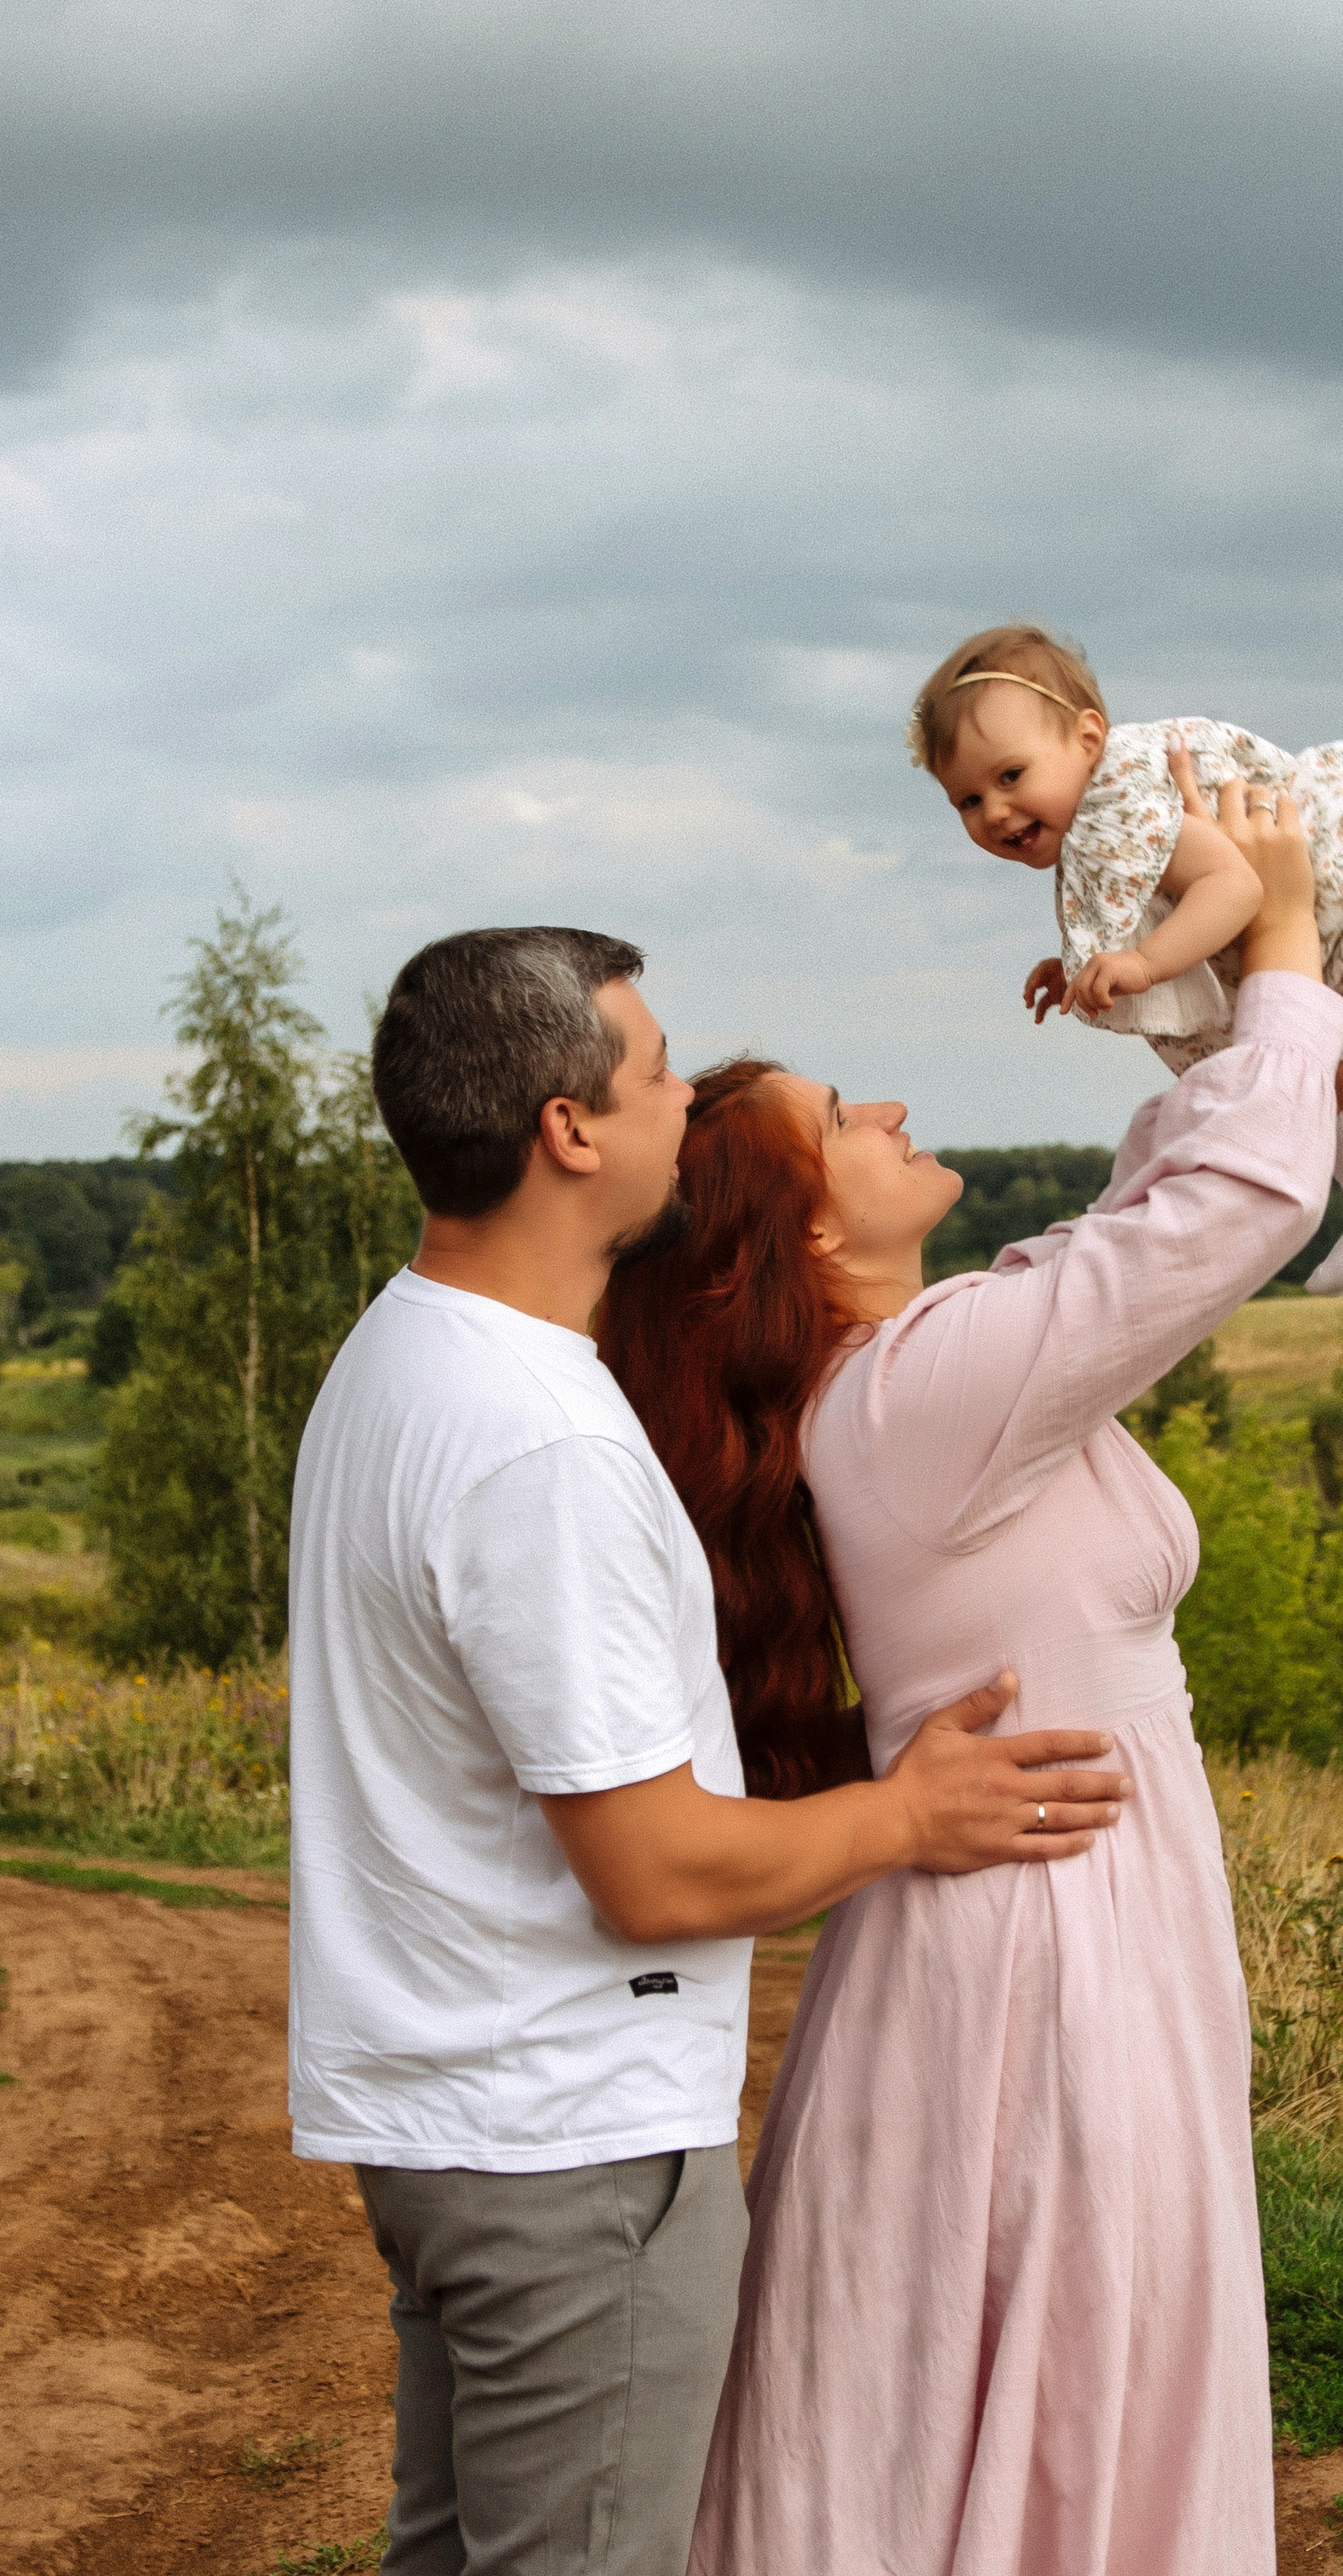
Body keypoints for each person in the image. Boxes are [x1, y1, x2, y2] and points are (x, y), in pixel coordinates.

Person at [285, 926, 1132, 2576]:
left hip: (451, 2117)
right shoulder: (539, 1443)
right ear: (568, 1130)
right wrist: (908, 1815)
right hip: (565, 2147)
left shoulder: (396, 1364)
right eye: (659, 1069)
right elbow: (657, 1873)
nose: (687, 1099)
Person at [597, 793, 1343, 2575]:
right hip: (1042, 1967)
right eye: (848, 1119)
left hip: (1065, 1932)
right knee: (1074, 2391)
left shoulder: (919, 1385)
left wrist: (1182, 990)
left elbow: (1153, 1199)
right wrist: (1289, 935)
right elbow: (1239, 1195)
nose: (898, 1109)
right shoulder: (918, 1397)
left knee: (1038, 2395)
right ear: (803, 1240)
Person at [907, 622, 1343, 1350]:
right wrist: (1077, 961)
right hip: (1337, 918)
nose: (995, 812)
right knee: (1310, 1069)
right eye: (967, 802)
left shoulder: (1114, 805)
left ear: (1087, 739)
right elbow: (1152, 897)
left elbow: (1234, 887)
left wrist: (1142, 965)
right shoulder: (1094, 813)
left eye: (1010, 777)